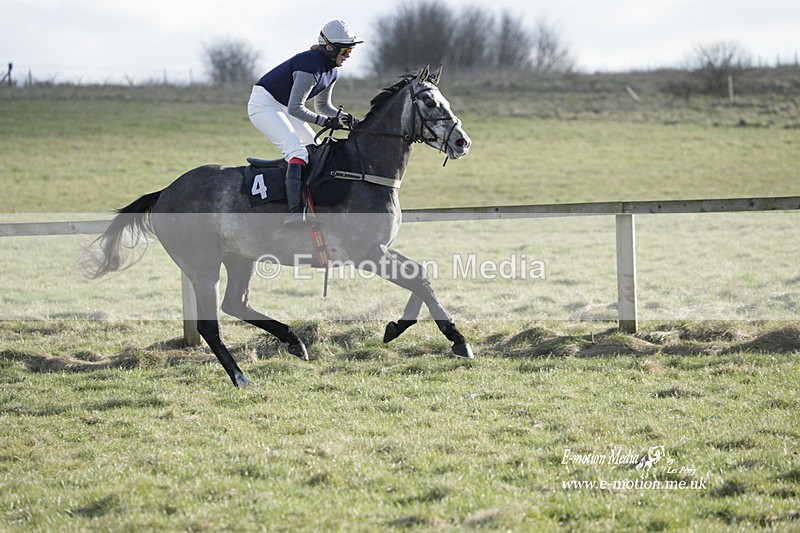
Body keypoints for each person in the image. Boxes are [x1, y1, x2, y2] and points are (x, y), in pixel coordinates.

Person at [248, 20, 363, 226]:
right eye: (345, 51)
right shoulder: (310, 66)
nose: (348, 57)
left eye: (350, 51)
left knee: (317, 151)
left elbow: (322, 106)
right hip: (264, 105)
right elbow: (296, 108)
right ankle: (294, 213)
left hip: (284, 106)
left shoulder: (333, 70)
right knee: (298, 153)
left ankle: (316, 203)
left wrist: (346, 119)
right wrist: (326, 121)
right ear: (329, 48)